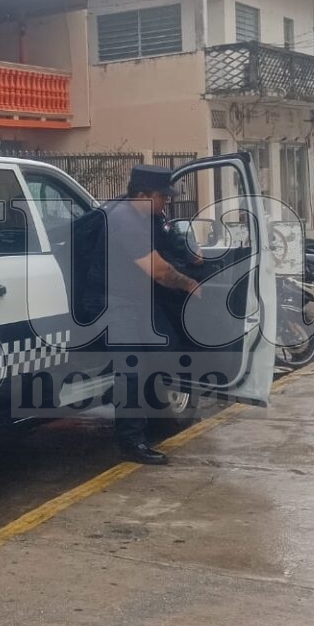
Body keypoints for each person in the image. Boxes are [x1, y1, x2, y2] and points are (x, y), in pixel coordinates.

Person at [101, 165, 200, 465]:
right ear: (143, 195)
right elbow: (158, 270)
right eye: (163, 196)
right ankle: (131, 442)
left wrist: (192, 259)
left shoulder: (149, 215)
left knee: (165, 353)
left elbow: (169, 244)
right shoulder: (123, 219)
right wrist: (189, 284)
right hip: (116, 303)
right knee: (130, 370)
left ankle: (148, 420)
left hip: (140, 301)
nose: (166, 202)